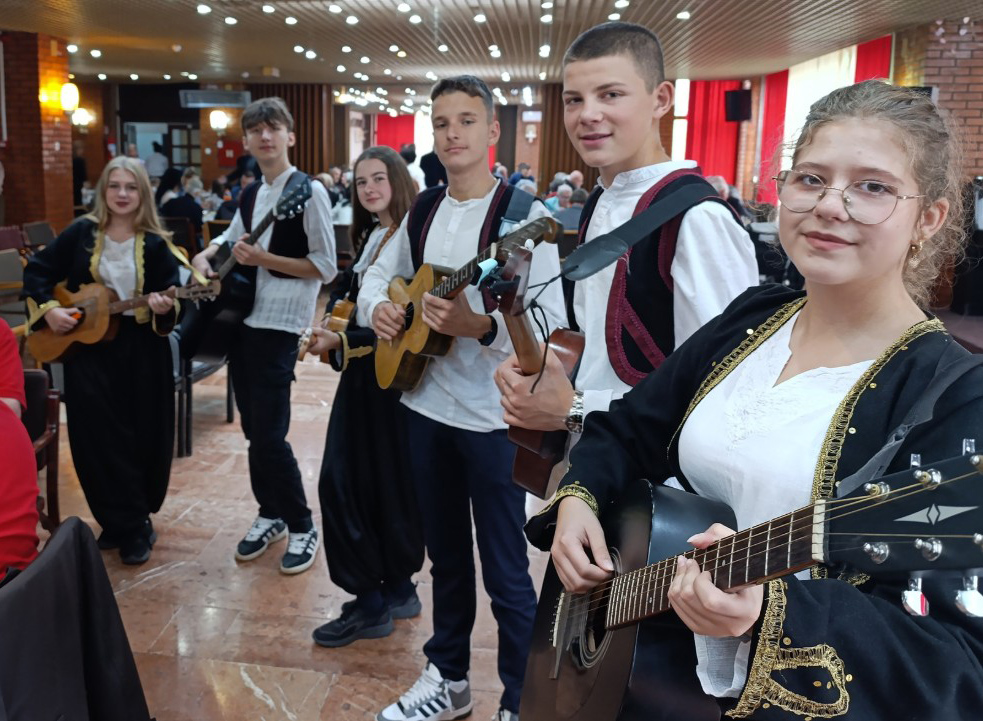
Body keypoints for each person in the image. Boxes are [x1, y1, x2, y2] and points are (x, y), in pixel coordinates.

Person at [528, 79, 983, 719]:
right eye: (810, 179)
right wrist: (579, 498)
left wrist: (773, 613)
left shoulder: (954, 398)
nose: (830, 205)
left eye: (872, 187)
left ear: (929, 219)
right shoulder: (755, 317)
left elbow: (960, 666)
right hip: (645, 675)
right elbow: (629, 427)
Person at [359, 75, 565, 721]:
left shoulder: (522, 219)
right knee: (444, 560)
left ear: (492, 131)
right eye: (441, 121)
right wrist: (381, 314)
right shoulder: (421, 209)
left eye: (467, 121)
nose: (452, 134)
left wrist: (481, 327)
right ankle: (447, 681)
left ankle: (519, 699)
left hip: (493, 422)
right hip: (424, 409)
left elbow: (552, 330)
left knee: (507, 575)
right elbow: (374, 275)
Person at [496, 22, 756, 458]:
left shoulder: (699, 219)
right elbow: (594, 345)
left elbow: (724, 388)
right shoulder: (601, 199)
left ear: (661, 99)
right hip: (591, 456)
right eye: (574, 100)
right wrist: (544, 366)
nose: (588, 114)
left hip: (656, 477)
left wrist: (576, 408)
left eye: (610, 95)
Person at [192, 96, 336, 575]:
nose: (265, 137)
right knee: (254, 431)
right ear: (248, 140)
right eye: (256, 131)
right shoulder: (252, 192)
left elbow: (326, 265)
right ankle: (269, 512)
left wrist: (266, 261)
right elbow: (230, 236)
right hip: (243, 321)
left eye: (273, 128)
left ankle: (301, 522)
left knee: (271, 436)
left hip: (281, 326)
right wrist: (204, 256)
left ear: (290, 136)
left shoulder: (308, 191)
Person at [22, 156, 184, 565]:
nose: (123, 194)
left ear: (143, 192)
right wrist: (49, 310)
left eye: (131, 187)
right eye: (115, 186)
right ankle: (114, 519)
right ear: (103, 191)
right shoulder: (81, 233)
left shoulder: (156, 243)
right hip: (88, 349)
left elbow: (175, 304)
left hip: (142, 349)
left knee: (140, 434)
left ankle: (136, 523)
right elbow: (38, 271)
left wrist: (165, 307)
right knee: (96, 436)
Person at [307, 146, 423, 648]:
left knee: (347, 484)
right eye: (361, 182)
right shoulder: (377, 234)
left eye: (379, 178)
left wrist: (343, 341)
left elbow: (408, 327)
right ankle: (396, 588)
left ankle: (370, 603)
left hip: (390, 380)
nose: (370, 189)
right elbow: (354, 301)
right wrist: (334, 325)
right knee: (382, 486)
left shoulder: (413, 238)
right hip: (369, 383)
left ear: (398, 179)